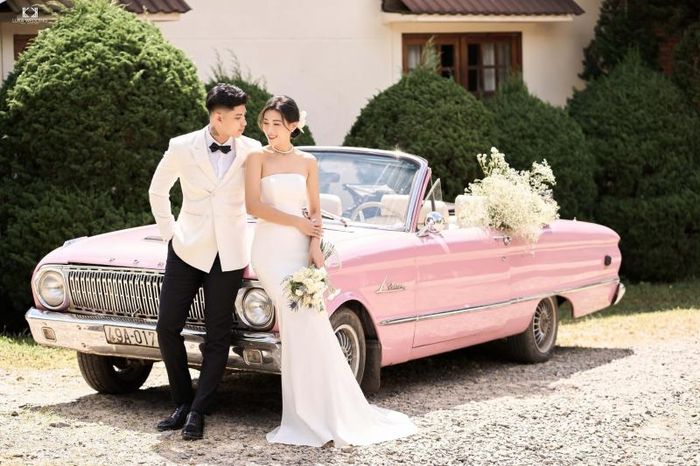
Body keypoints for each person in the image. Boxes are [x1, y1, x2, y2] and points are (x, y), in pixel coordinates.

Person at [245, 95, 418, 447]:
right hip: (270, 250)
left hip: (300, 249)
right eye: (265, 123)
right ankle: (303, 416)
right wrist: (297, 223)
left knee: (312, 326)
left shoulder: (307, 161)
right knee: (298, 321)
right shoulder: (256, 158)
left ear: (293, 126)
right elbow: (253, 206)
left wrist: (314, 247)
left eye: (277, 124)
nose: (269, 130)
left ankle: (328, 410)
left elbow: (315, 211)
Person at [148, 83, 262, 440]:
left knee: (218, 334)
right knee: (167, 326)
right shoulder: (182, 146)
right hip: (186, 248)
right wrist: (170, 234)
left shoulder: (252, 149)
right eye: (239, 116)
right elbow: (157, 190)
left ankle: (199, 410)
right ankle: (182, 401)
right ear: (218, 117)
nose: (244, 122)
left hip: (229, 253)